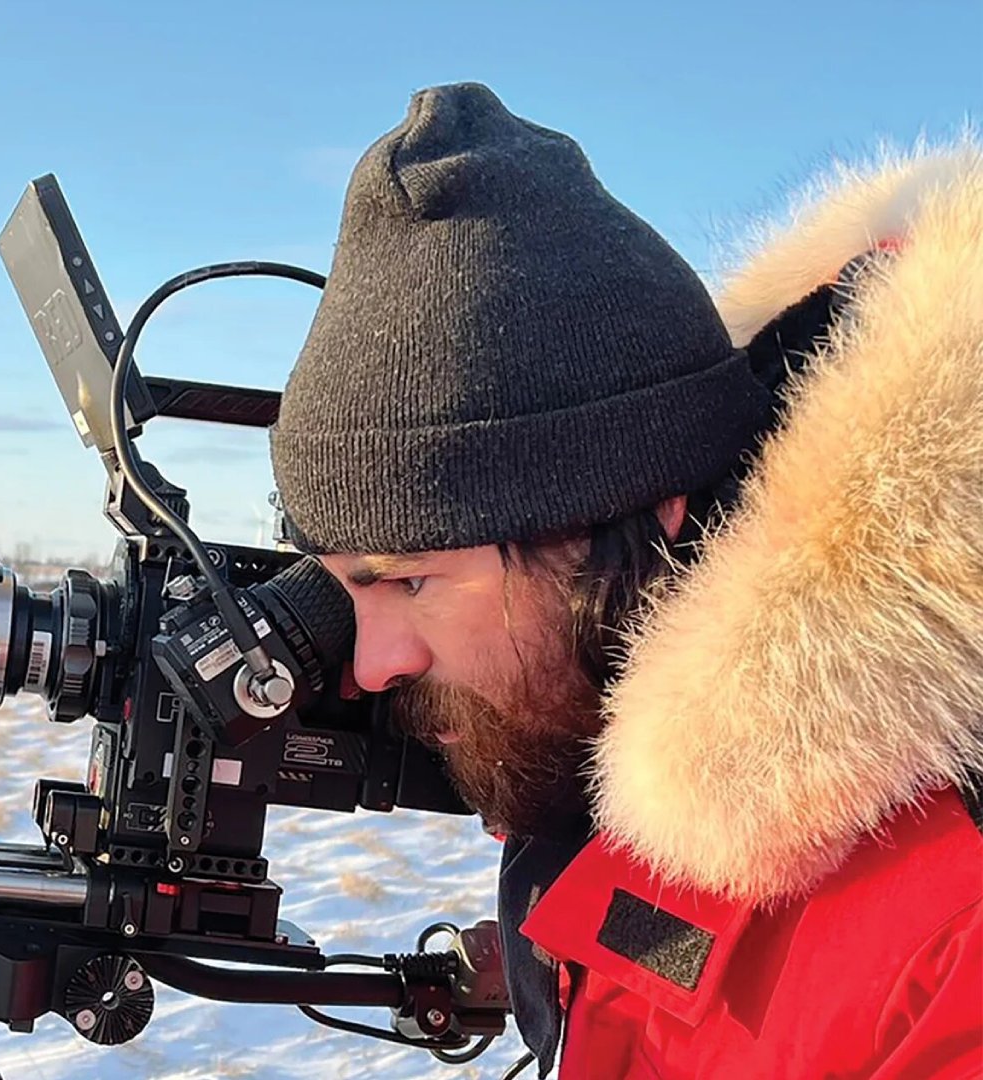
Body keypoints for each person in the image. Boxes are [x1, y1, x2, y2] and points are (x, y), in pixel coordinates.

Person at [268, 82, 982, 1077]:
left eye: (413, 584)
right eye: (353, 592)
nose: (379, 663)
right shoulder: (606, 756)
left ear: (627, 532)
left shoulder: (953, 929)